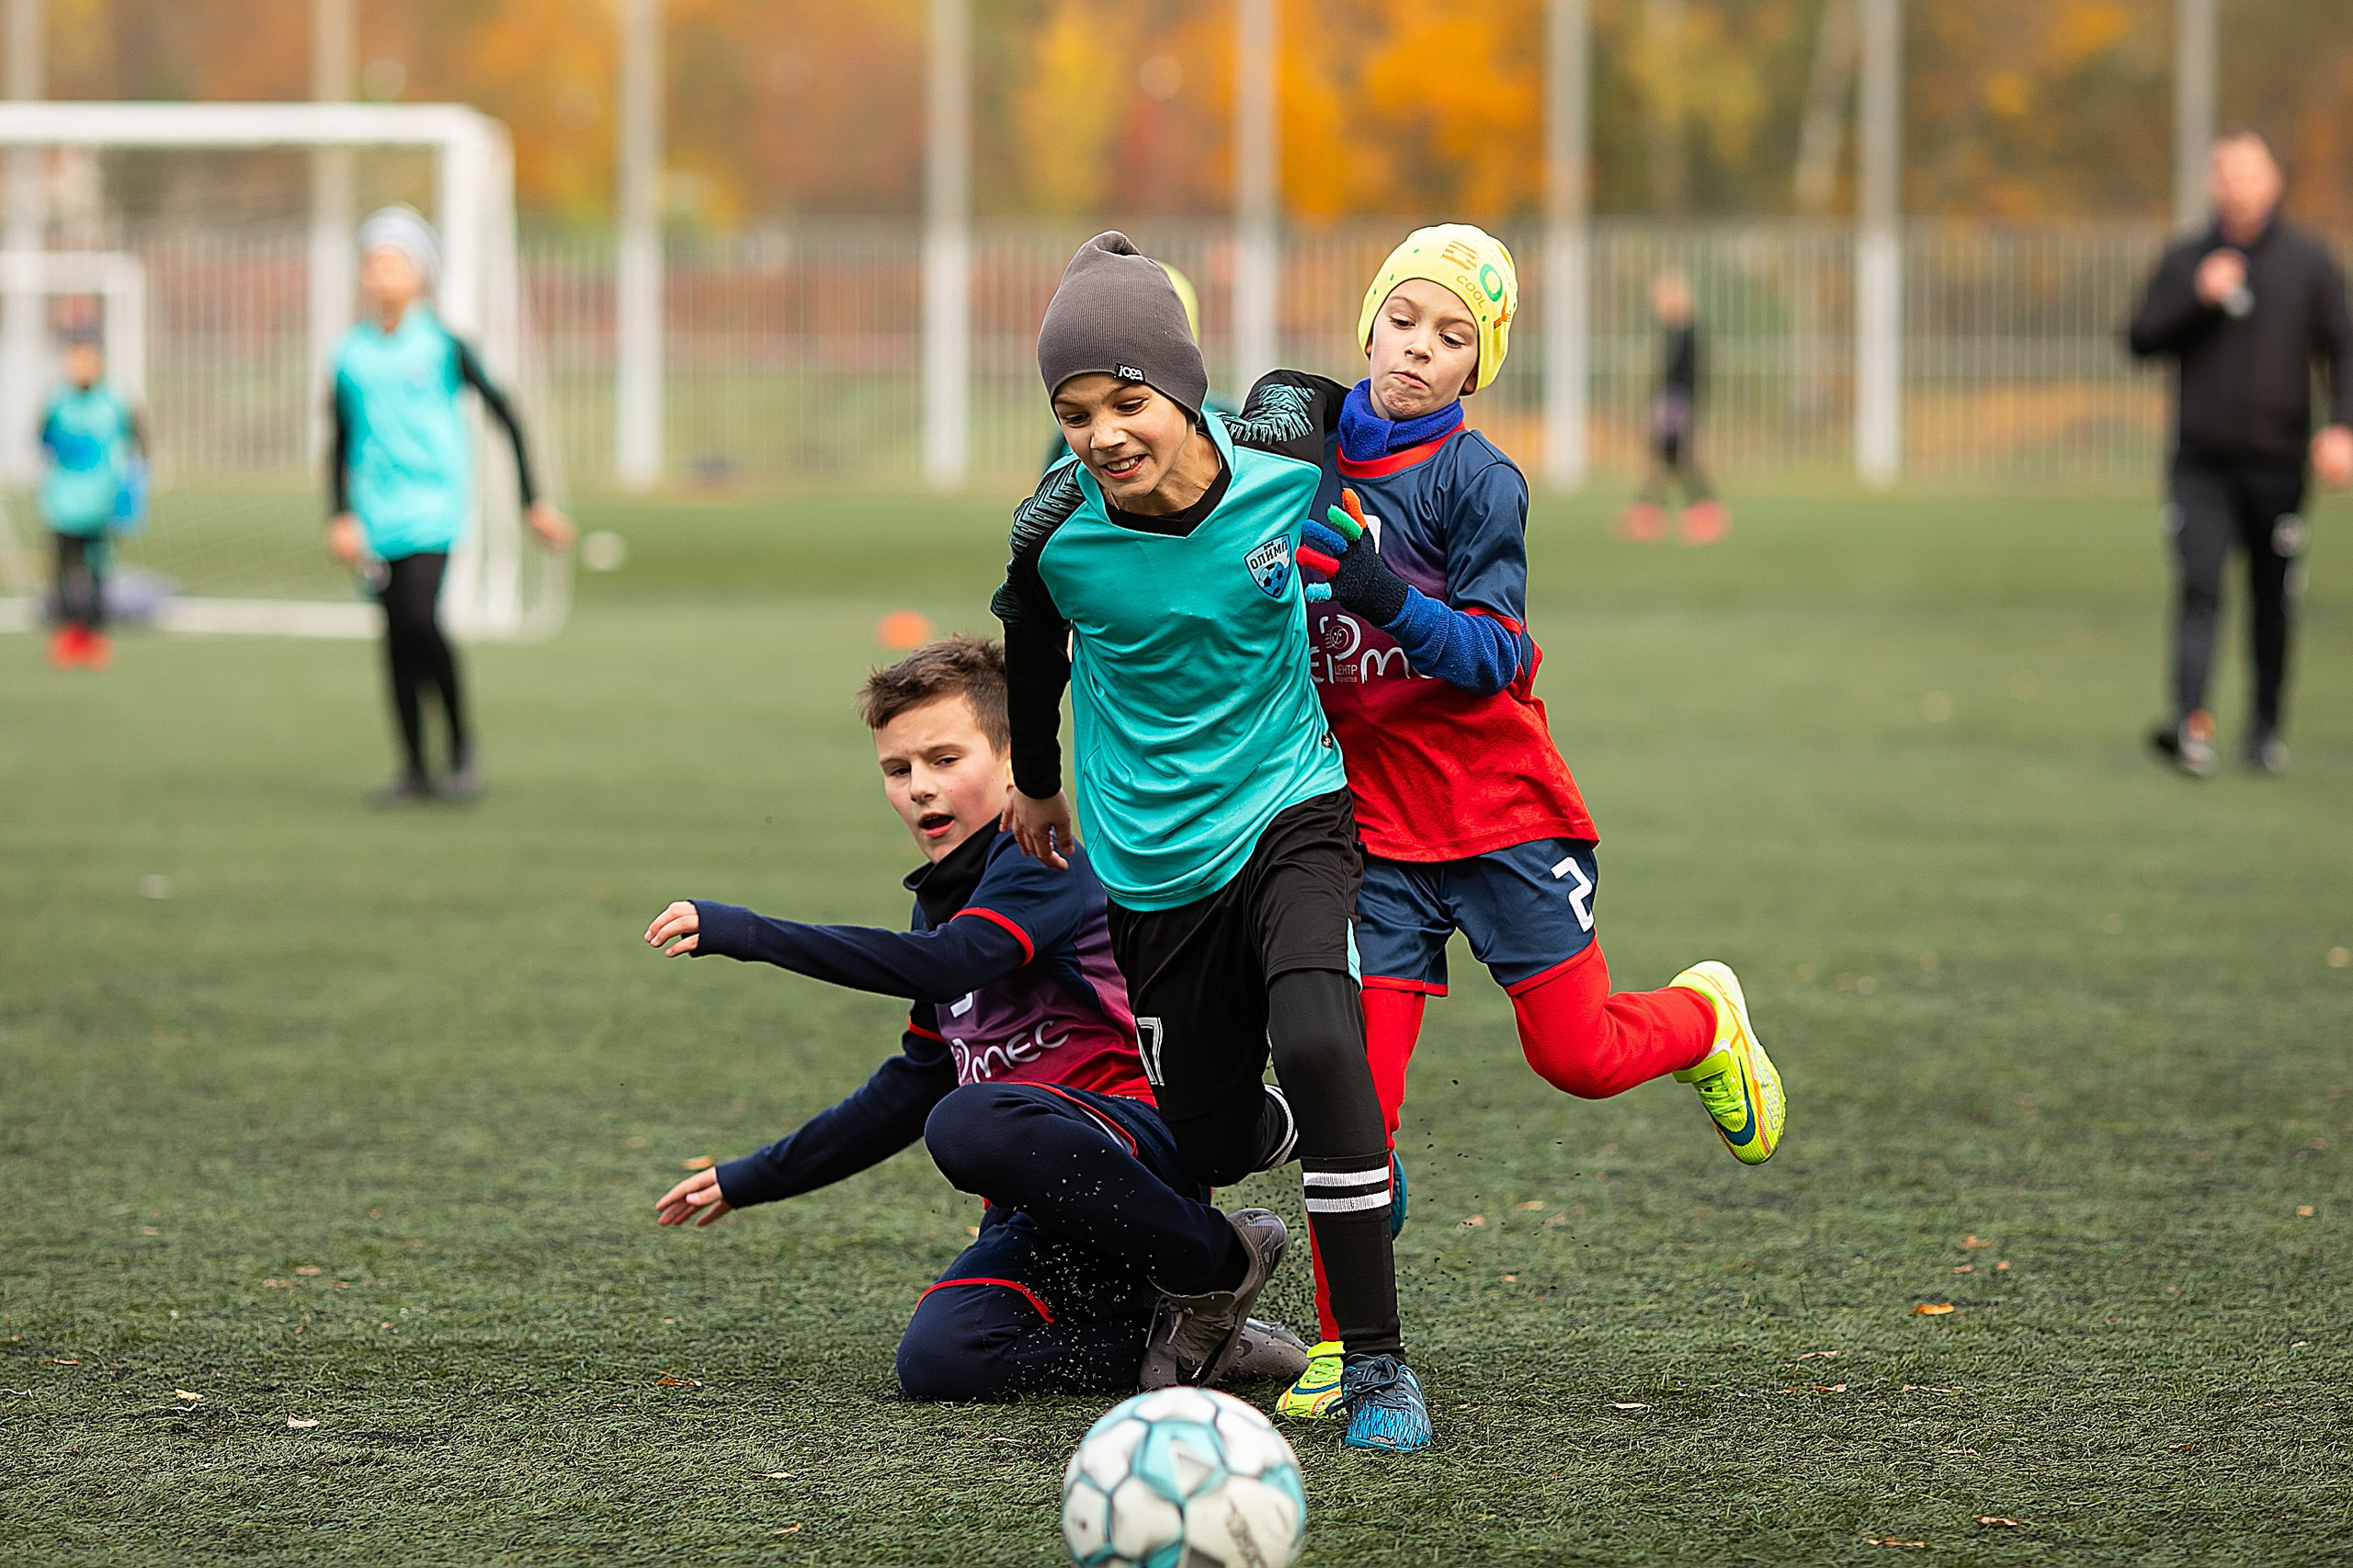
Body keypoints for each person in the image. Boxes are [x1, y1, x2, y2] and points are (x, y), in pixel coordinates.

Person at [1285, 224, 1785, 1418]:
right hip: (1377, 838)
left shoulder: (1479, 482)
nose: (1420, 348)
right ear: (1369, 323)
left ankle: (1704, 1018)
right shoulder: (1300, 460)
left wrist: (1377, 588)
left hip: (1504, 817)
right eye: (1405, 320)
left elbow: (1494, 657)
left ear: (1479, 366)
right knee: (1352, 1101)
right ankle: (1341, 1344)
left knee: (1576, 1055)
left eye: (1454, 337)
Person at [995, 232, 1429, 1452]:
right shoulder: (1052, 536)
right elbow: (1032, 655)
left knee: (1320, 1031)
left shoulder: (1284, 438)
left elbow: (1398, 412)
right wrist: (1037, 785)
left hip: (1293, 802)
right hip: (1149, 863)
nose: (1102, 432)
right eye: (1074, 411)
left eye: (1127, 400)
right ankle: (1332, 1145)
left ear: (1185, 392)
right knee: (1206, 1133)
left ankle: (1380, 1365)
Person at [647, 638, 1307, 1401]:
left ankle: (1219, 1260)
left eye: (945, 760)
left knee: (971, 1120)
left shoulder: (1044, 858)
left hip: (1138, 1150)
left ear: (1012, 763)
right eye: (898, 770)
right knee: (942, 1361)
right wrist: (749, 1178)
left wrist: (752, 933)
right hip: (1040, 1210)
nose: (919, 789)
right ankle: (1205, 1346)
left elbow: (951, 963)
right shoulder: (941, 904)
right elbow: (910, 1087)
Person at [326, 205, 574, 805]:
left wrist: (532, 501)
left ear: (420, 274)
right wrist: (339, 514)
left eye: (394, 262)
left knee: (419, 618)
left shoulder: (442, 345)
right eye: (373, 262)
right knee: (394, 639)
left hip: (433, 510)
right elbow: (337, 438)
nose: (381, 274)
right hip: (376, 516)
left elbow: (504, 413)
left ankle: (462, 747)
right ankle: (414, 768)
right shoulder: (350, 354)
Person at [2128, 131, 2353, 776]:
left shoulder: (2309, 261)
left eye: (2251, 172)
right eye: (2226, 172)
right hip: (2201, 461)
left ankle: (2264, 729)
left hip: (2278, 461)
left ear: (2273, 182)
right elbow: (2141, 339)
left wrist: (2342, 427)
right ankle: (2191, 724)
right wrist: (2195, 299)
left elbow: (2343, 348)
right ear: (2212, 183)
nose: (2239, 184)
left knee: (2272, 596)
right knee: (2199, 586)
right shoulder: (2188, 258)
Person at [37, 335, 145, 670]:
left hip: (101, 501)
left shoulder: (115, 402)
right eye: (75, 360)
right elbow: (41, 440)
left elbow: (138, 445)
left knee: (97, 568)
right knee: (63, 569)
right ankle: (68, 635)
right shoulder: (57, 402)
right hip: (63, 502)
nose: (80, 367)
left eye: (87, 360)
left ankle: (95, 636)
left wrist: (131, 496)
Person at [1616, 270, 1729, 546]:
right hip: (1673, 402)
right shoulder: (1677, 332)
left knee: (1669, 460)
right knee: (1668, 461)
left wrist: (1674, 408)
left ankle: (1661, 513)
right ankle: (1664, 512)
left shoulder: (1687, 333)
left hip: (1675, 404)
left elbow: (1685, 377)